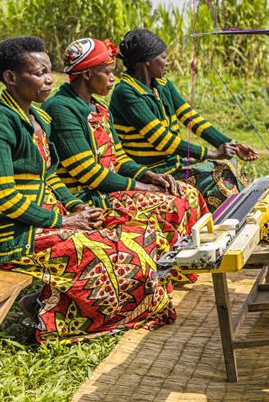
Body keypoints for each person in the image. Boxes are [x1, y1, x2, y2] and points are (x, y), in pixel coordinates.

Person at [0, 36, 175, 343]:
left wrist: (74, 206)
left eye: (49, 71)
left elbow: (50, 178)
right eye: (39, 73)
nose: (49, 79)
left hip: (40, 222)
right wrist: (62, 221)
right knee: (115, 253)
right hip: (7, 236)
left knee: (137, 234)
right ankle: (54, 320)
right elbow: (2, 197)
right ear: (10, 78)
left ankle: (45, 303)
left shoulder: (38, 118)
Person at [43, 37, 210, 280]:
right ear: (87, 74)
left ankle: (180, 268)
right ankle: (163, 274)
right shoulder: (62, 109)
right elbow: (88, 173)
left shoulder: (98, 107)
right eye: (108, 72)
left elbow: (119, 158)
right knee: (172, 205)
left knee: (187, 193)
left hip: (109, 189)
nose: (113, 78)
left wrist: (149, 175)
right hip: (88, 196)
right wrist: (142, 187)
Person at [108, 29, 258, 211]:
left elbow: (191, 117)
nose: (167, 62)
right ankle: (227, 221)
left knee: (230, 166)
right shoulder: (126, 92)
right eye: (163, 58)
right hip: (152, 172)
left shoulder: (162, 85)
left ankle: (240, 215)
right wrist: (210, 154)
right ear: (147, 61)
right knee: (217, 179)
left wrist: (231, 144)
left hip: (175, 165)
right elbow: (161, 139)